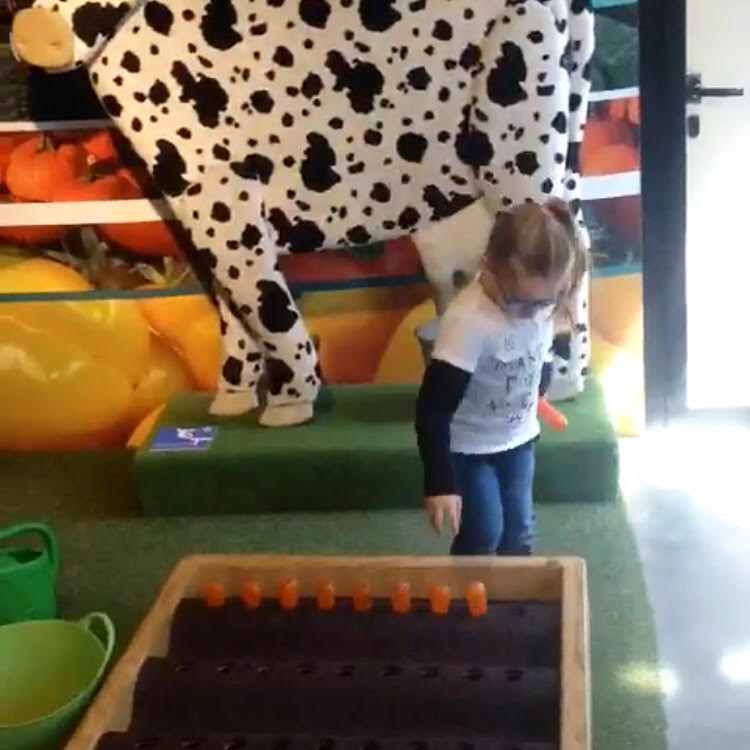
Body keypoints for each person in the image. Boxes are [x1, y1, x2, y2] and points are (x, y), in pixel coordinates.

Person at [415, 199, 588, 556]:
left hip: (519, 440)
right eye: (520, 303)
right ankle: (468, 590)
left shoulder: (541, 305)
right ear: (488, 266)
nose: (531, 314)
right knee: (484, 533)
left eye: (545, 302)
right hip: (469, 448)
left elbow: (539, 351)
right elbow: (432, 409)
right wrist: (440, 483)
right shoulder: (468, 322)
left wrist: (538, 388)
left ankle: (516, 592)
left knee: (519, 533)